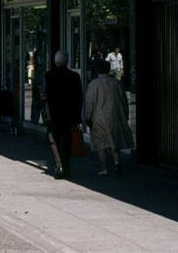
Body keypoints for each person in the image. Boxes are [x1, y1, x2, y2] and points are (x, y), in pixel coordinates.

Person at [84, 59, 133, 175]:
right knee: (114, 140)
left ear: (97, 70)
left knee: (101, 144)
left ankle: (104, 168)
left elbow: (89, 102)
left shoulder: (94, 84)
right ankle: (117, 162)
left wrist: (87, 117)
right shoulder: (117, 83)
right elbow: (124, 101)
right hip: (115, 116)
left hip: (99, 117)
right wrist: (125, 115)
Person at [45, 51, 83, 179]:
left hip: (53, 114)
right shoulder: (74, 76)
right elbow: (79, 98)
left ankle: (58, 165)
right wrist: (77, 116)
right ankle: (65, 169)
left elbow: (44, 96)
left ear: (56, 62)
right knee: (66, 142)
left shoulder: (49, 75)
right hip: (68, 115)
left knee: (53, 140)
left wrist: (45, 113)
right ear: (66, 61)